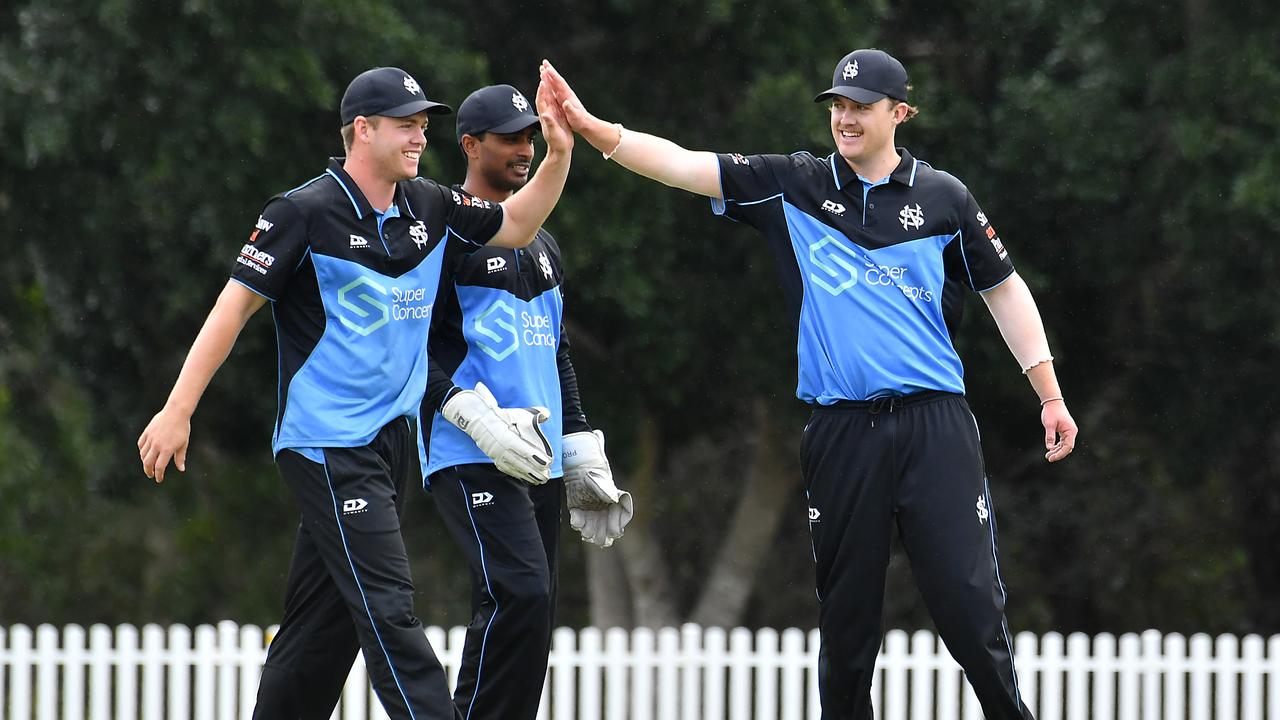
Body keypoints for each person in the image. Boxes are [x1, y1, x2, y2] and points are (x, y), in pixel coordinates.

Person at [540, 51, 1077, 720]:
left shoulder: (943, 197)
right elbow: (684, 164)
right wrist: (597, 132)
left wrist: (1048, 394)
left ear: (899, 113)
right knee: (848, 626)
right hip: (842, 430)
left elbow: (1004, 289)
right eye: (837, 106)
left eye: (861, 106)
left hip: (934, 426)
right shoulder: (793, 184)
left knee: (970, 611)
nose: (845, 119)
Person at [136, 65, 574, 720]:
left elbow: (516, 223)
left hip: (390, 445)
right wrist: (178, 409)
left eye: (424, 125)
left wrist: (561, 153)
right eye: (406, 125)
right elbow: (233, 309)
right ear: (361, 130)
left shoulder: (427, 204)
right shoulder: (301, 212)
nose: (420, 137)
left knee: (325, 625)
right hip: (326, 442)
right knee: (388, 606)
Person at [419, 83, 633, 720]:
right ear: (469, 145)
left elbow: (556, 351)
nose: (522, 149)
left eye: (528, 138)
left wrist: (581, 442)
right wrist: (469, 415)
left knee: (534, 614)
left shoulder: (541, 243)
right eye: (509, 138)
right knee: (518, 593)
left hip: (537, 458)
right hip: (468, 452)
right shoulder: (445, 232)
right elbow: (412, 353)